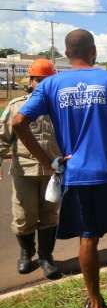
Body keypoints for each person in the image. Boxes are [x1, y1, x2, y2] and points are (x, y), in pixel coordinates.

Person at [12, 29, 107, 308]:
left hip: (76, 176)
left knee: (88, 238)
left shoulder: (51, 85)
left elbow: (18, 122)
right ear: (94, 52)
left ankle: (96, 305)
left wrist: (48, 161)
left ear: (66, 54)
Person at [0, 59, 61, 279]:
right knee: (24, 216)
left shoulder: (59, 108)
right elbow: (2, 137)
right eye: (39, 80)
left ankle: (46, 256)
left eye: (48, 80)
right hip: (24, 172)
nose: (43, 84)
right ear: (31, 81)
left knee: (49, 215)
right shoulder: (17, 106)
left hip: (53, 174)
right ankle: (26, 253)